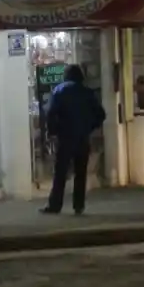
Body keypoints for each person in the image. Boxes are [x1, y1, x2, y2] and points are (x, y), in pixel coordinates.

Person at [41, 64, 106, 215]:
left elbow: (51, 113)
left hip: (65, 138)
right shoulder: (87, 92)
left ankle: (55, 205)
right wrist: (89, 127)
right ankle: (78, 205)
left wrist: (53, 131)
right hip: (82, 137)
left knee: (61, 172)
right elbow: (101, 114)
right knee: (80, 172)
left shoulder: (60, 90)